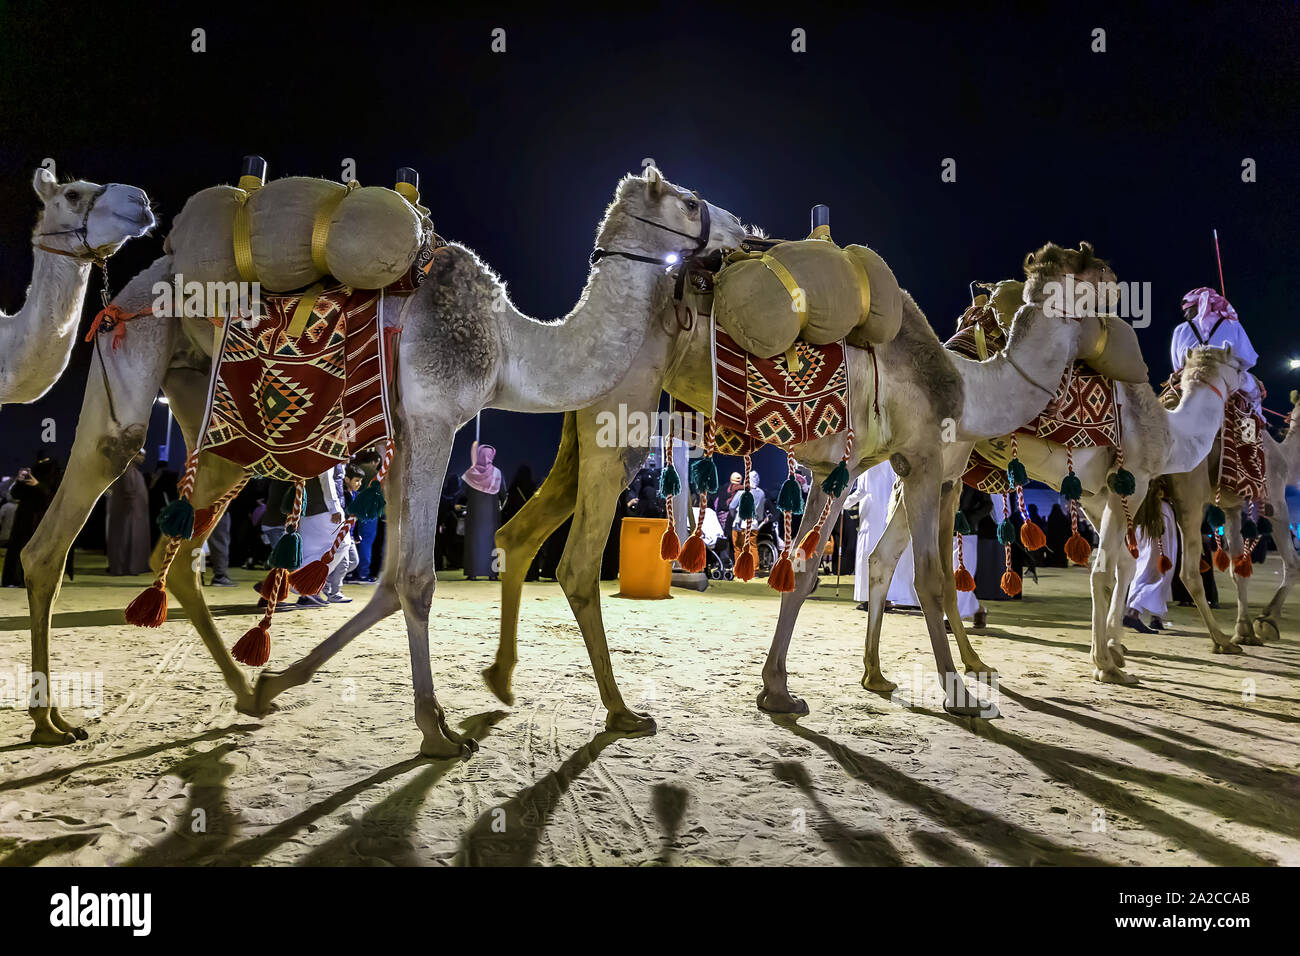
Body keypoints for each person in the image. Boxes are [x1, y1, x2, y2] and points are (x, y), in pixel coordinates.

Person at [1171, 287, 1261, 411]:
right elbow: (1248, 360)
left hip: (1190, 376)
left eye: (1187, 310)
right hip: (1225, 376)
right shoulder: (1232, 324)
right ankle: (1260, 421)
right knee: (1256, 390)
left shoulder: (1180, 329)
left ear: (1198, 306)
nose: (1185, 314)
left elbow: (1177, 366)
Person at [2, 454, 62, 588]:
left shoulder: (55, 473)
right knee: (17, 548)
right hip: (23, 516)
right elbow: (15, 494)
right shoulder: (33, 469)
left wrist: (37, 485)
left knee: (35, 550)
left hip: (40, 518)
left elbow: (52, 497)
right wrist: (19, 481)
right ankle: (13, 579)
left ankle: (30, 580)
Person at [1126, 500, 1177, 632]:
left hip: (1140, 507)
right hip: (1158, 511)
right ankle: (1134, 611)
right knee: (1158, 568)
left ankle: (1156, 617)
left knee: (1143, 564)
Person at [460, 441, 504, 580]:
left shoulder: (469, 473)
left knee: (474, 543)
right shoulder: (497, 473)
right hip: (492, 516)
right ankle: (493, 574)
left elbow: (463, 493)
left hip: (474, 516)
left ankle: (472, 573)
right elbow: (503, 493)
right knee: (493, 542)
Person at [106, 452, 152, 576]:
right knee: (126, 539)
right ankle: (126, 567)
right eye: (141, 455)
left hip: (135, 514)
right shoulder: (127, 470)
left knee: (132, 539)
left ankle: (133, 566)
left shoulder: (132, 470)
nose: (143, 458)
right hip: (129, 515)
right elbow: (128, 492)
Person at [1045, 502, 1072, 568]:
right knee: (1061, 551)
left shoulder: (1050, 517)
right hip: (1061, 539)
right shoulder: (1063, 517)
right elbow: (1067, 527)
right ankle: (1061, 563)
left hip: (1052, 539)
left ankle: (1052, 563)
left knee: (1053, 551)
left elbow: (1048, 529)